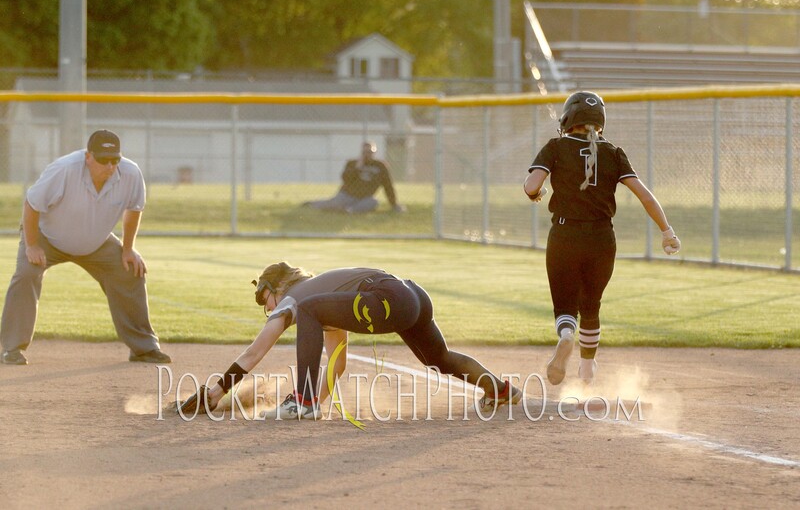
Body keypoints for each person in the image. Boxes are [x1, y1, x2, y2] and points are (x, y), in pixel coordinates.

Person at [179, 261, 522, 419]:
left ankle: (301, 401)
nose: (266, 307)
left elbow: (254, 352)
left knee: (308, 311)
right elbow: (337, 363)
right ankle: (499, 389)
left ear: (277, 286)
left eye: (263, 297)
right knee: (438, 358)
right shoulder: (324, 304)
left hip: (385, 295)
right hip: (412, 296)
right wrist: (321, 401)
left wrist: (217, 392)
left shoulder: (296, 299)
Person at [523, 91, 680, 386]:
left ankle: (566, 335)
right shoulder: (614, 153)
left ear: (569, 118)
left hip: (564, 234)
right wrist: (666, 231)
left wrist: (536, 193)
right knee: (591, 304)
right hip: (602, 238)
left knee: (565, 305)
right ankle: (586, 370)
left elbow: (531, 185)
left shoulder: (556, 146)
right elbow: (645, 195)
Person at [0, 129, 171, 365]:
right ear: (88, 156)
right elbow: (31, 204)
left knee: (131, 270)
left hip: (96, 242)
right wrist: (31, 245)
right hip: (47, 238)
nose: (110, 166)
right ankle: (11, 349)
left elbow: (134, 209)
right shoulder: (64, 169)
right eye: (103, 159)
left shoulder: (130, 173)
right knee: (27, 273)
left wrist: (128, 249)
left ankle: (144, 349)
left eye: (115, 160)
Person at [303, 141, 405, 214]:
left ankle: (348, 211)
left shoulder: (380, 166)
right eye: (365, 152)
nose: (368, 155)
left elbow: (388, 186)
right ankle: (312, 204)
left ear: (374, 152)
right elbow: (345, 179)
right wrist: (357, 168)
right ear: (361, 152)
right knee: (332, 204)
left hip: (364, 198)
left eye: (370, 152)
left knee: (373, 202)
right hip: (347, 195)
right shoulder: (352, 163)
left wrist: (394, 204)